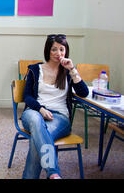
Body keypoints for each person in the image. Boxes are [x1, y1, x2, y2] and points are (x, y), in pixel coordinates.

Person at [21, 34, 89, 179]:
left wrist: (72, 69)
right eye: (54, 50)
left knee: (37, 140)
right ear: (47, 51)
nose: (58, 53)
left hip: (59, 117)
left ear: (66, 51)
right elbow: (26, 96)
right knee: (36, 121)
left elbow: (84, 93)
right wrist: (40, 109)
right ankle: (53, 173)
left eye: (62, 49)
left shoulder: (68, 72)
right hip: (35, 111)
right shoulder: (35, 69)